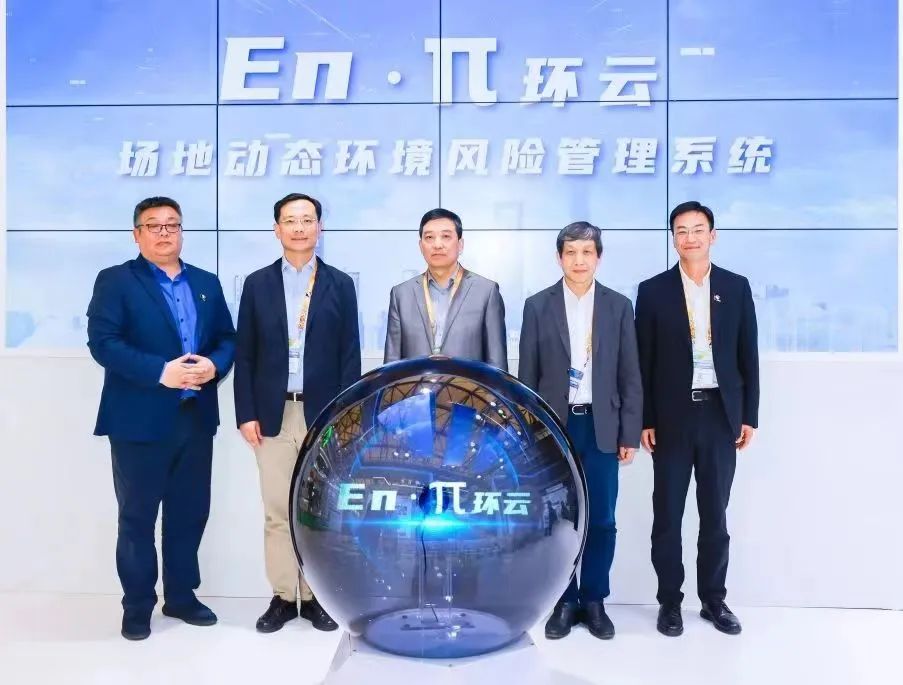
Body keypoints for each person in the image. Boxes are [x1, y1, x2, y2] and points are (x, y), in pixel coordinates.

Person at [87, 196, 235, 640]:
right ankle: (137, 606)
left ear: (182, 231)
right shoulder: (116, 280)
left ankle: (181, 597)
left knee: (189, 514)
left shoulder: (206, 282)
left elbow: (227, 338)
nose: (165, 232)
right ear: (137, 234)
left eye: (172, 224)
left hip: (195, 418)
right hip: (138, 421)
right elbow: (103, 342)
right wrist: (160, 372)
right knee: (137, 518)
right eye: (154, 225)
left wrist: (214, 365)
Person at [234, 193, 360, 633]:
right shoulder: (257, 284)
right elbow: (245, 354)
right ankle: (285, 596)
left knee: (319, 510)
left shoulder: (340, 284)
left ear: (319, 228)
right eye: (291, 220)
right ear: (277, 229)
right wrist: (246, 412)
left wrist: (345, 418)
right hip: (272, 414)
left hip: (323, 415)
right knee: (276, 511)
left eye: (308, 220)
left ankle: (317, 595)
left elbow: (349, 356)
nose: (300, 228)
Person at [635, 201, 759, 637]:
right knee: (668, 515)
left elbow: (747, 355)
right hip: (672, 417)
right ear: (674, 239)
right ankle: (669, 602)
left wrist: (748, 415)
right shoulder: (653, 291)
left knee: (715, 515)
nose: (690, 238)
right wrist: (646, 418)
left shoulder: (735, 287)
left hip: (720, 414)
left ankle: (713, 600)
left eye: (697, 229)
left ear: (712, 235)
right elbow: (643, 362)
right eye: (681, 231)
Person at [519, 221, 642, 640]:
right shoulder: (538, 306)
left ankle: (594, 599)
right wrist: (532, 433)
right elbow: (528, 377)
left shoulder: (618, 306)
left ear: (598, 258)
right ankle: (564, 600)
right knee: (558, 517)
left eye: (587, 252)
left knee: (602, 519)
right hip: (556, 426)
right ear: (559, 258)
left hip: (602, 425)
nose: (578, 260)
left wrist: (629, 433)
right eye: (570, 252)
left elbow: (630, 375)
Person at [384, 208, 507, 369]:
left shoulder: (486, 292)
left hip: (467, 386)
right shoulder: (401, 295)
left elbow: (497, 367)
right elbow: (391, 368)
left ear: (460, 245)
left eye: (446, 236)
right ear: (421, 246)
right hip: (416, 386)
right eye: (429, 237)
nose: (437, 244)